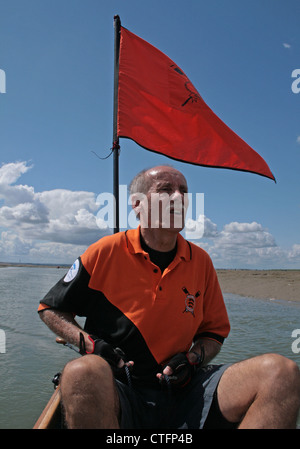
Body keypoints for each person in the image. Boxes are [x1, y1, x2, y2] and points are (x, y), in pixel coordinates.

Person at [38, 165, 300, 429]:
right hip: (118, 388)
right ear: (137, 205)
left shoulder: (201, 261)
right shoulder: (105, 251)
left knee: (281, 373)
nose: (178, 197)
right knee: (81, 372)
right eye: (165, 190)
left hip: (183, 389)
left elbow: (213, 335)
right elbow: (51, 309)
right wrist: (90, 344)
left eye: (184, 191)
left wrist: (192, 359)